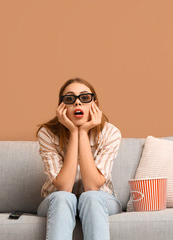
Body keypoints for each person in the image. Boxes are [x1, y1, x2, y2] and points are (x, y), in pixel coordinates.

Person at [35, 77, 122, 240]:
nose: (77, 103)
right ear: (61, 107)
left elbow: (92, 186)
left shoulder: (110, 133)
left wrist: (83, 132)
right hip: (57, 200)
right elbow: (65, 187)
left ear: (94, 103)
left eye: (84, 98)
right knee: (63, 198)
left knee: (91, 197)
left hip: (101, 198)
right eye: (69, 99)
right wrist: (74, 132)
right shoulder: (46, 133)